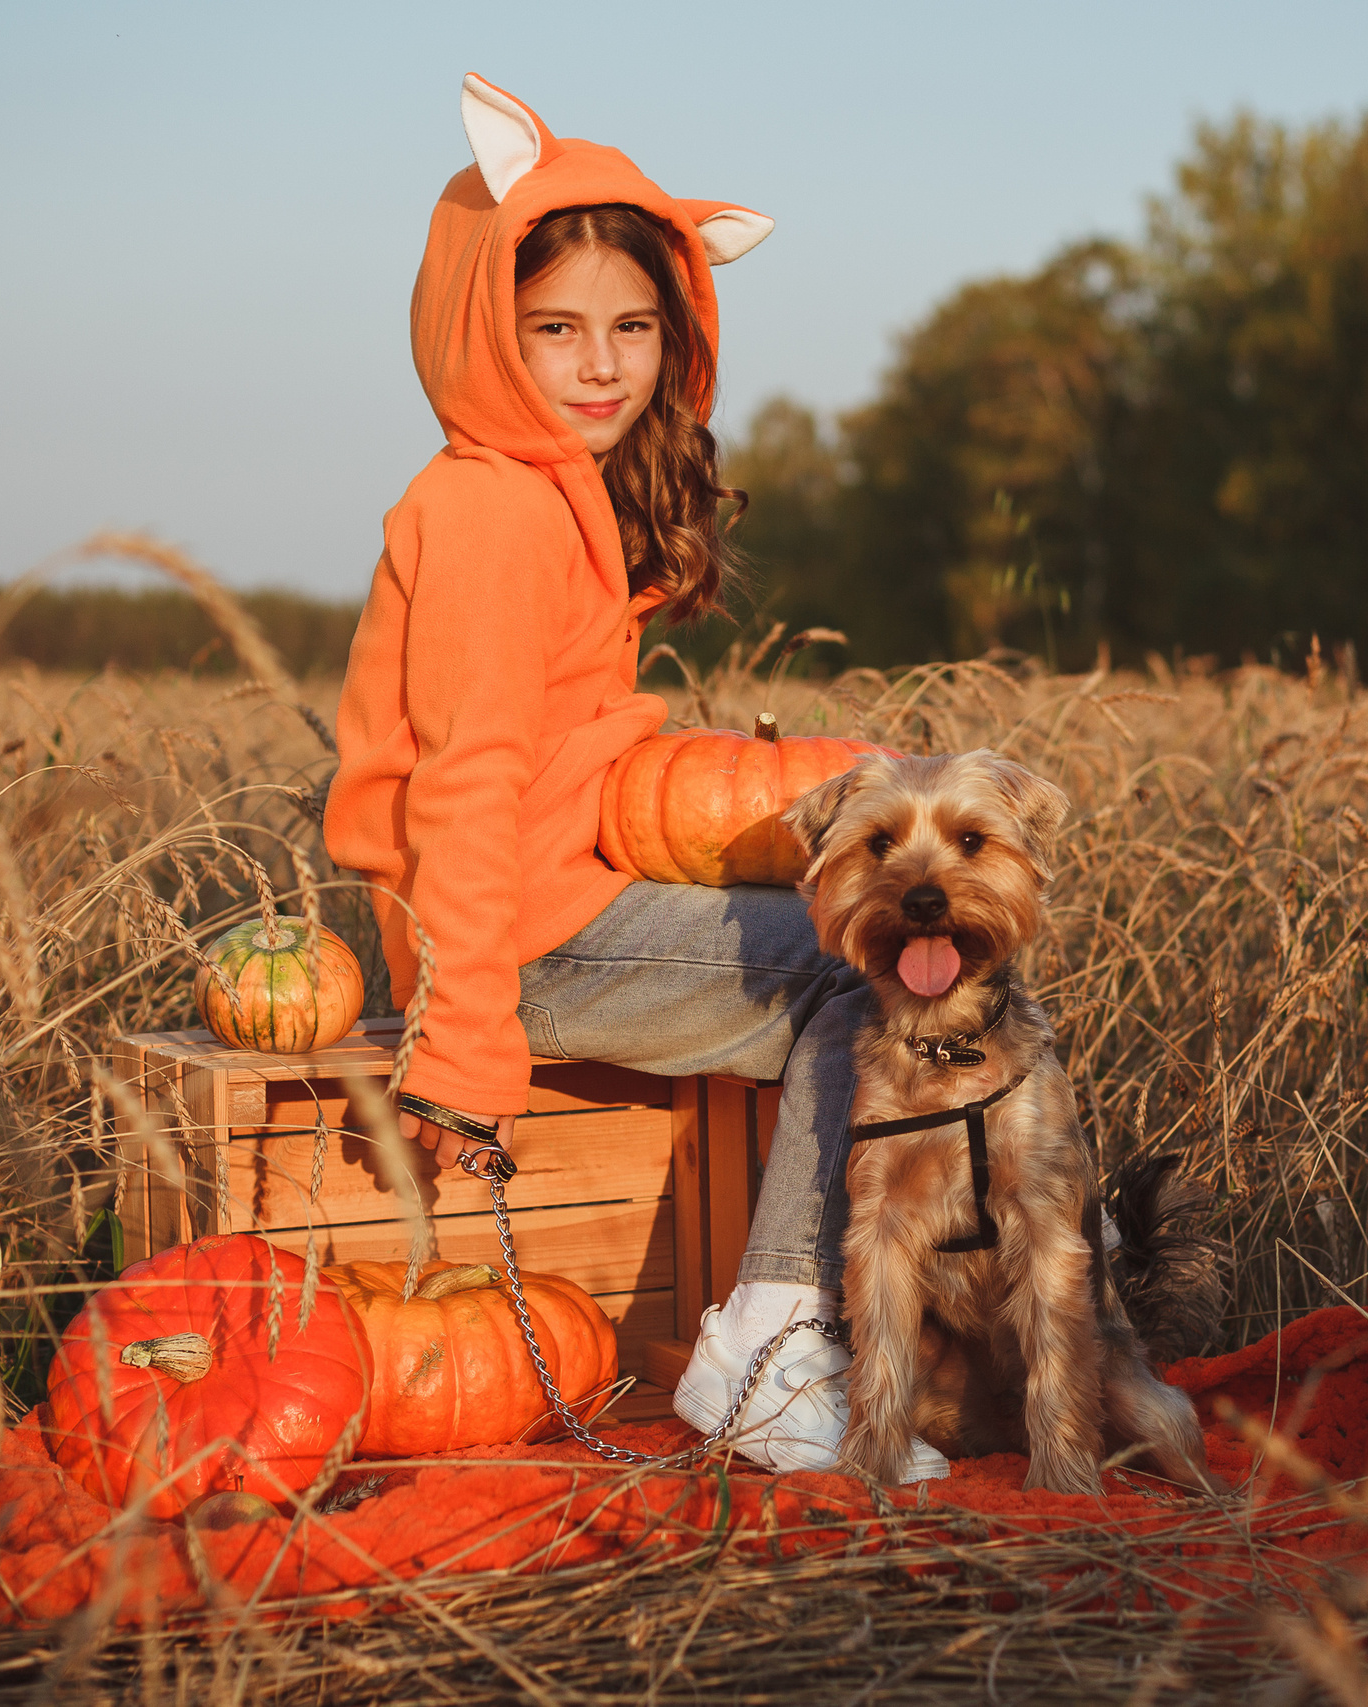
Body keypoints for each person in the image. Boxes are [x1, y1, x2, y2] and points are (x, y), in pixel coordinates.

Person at [324, 78, 944, 1481]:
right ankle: (771, 1351)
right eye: (556, 329)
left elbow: (557, 750)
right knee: (859, 973)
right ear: (486, 326)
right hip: (514, 945)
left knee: (890, 950)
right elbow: (465, 786)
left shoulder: (554, 496)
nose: (601, 365)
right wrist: (465, 1046)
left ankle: (905, 1321)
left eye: (633, 327)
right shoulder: (491, 510)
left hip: (563, 899)